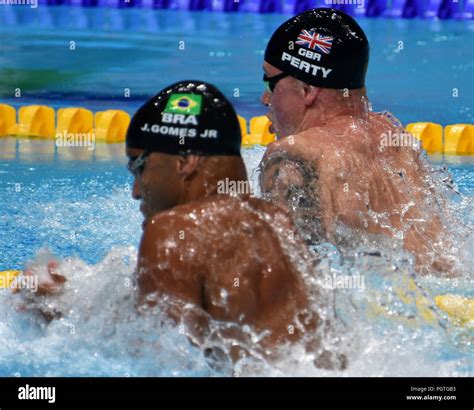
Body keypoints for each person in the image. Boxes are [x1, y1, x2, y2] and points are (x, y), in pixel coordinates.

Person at [16, 81, 342, 368]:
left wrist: (58, 310)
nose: (135, 191)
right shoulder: (274, 220)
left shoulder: (175, 231)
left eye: (139, 167)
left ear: (186, 161)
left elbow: (156, 357)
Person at [259, 8, 453, 275]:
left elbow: (280, 277)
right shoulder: (394, 136)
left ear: (307, 90)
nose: (265, 98)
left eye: (270, 82)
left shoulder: (294, 154)